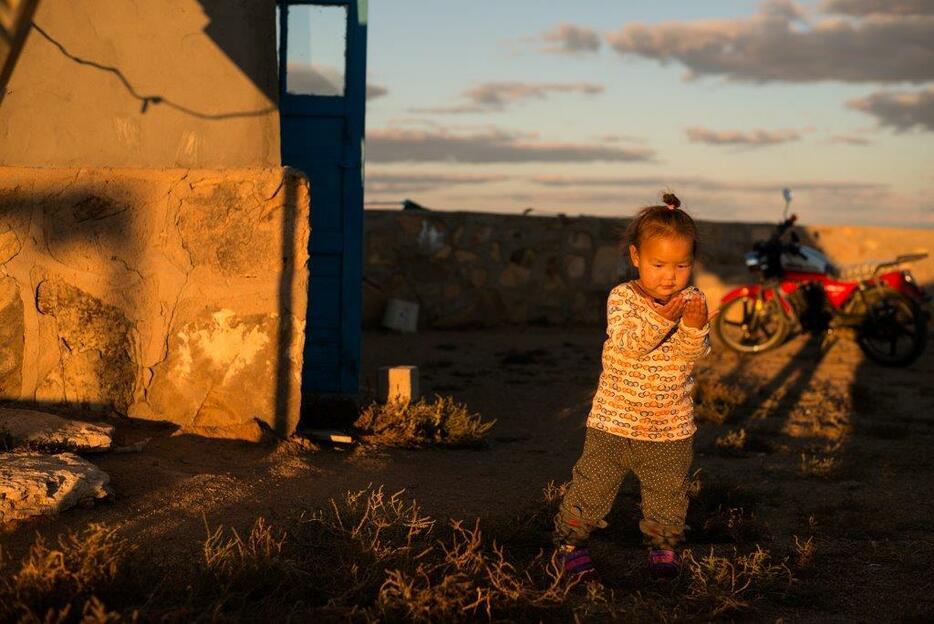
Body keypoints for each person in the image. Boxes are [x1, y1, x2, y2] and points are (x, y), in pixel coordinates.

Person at [554, 192, 710, 582]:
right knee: (591, 488)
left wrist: (693, 326)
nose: (669, 275)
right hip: (613, 425)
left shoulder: (691, 298)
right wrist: (663, 318)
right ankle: (569, 546)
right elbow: (629, 344)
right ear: (636, 257)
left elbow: (692, 355)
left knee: (668, 496)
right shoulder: (623, 298)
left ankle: (663, 549)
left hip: (670, 428)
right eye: (658, 264)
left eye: (681, 265)